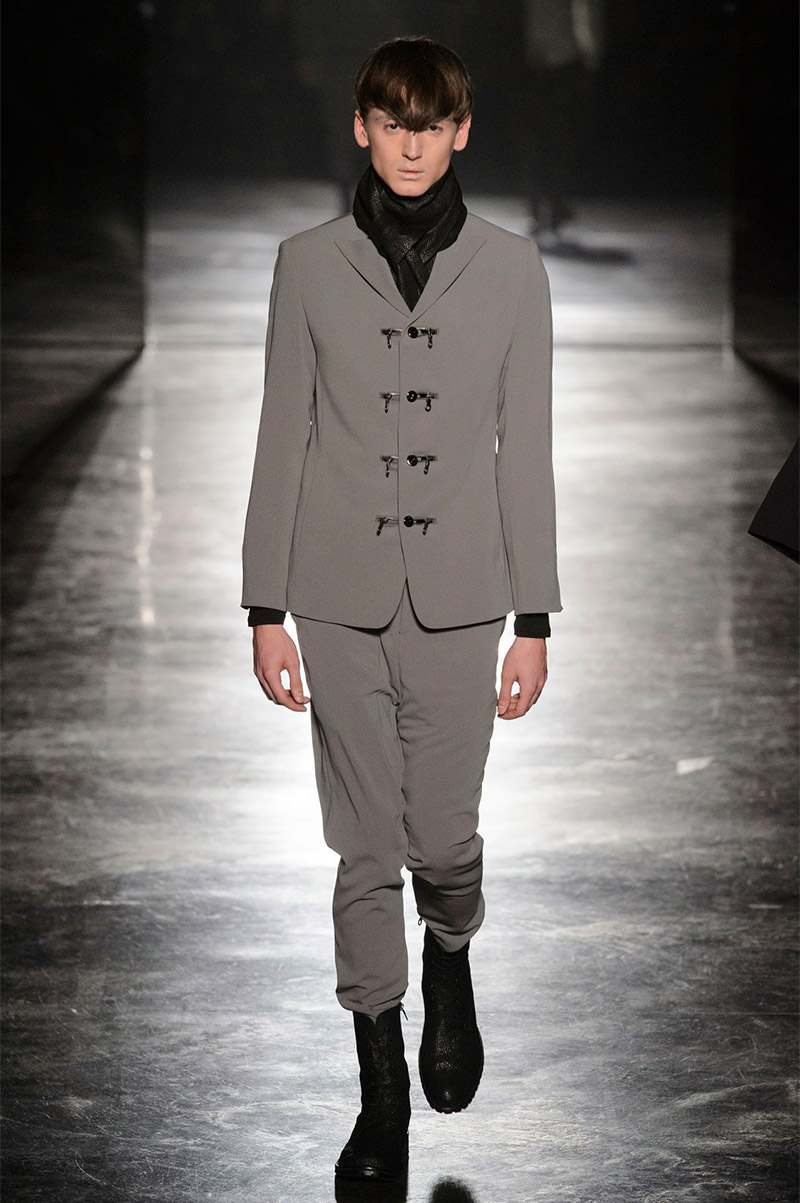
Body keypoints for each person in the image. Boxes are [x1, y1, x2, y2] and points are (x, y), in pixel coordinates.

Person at [241, 36, 563, 1184]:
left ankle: (452, 949)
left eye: (430, 124)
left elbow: (523, 452)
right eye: (392, 122)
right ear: (362, 128)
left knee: (440, 840)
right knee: (363, 845)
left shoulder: (513, 271)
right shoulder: (305, 264)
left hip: (463, 600)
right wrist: (263, 605)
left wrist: (534, 619)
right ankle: (380, 1089)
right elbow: (283, 433)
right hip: (333, 593)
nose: (411, 144)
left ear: (460, 131)